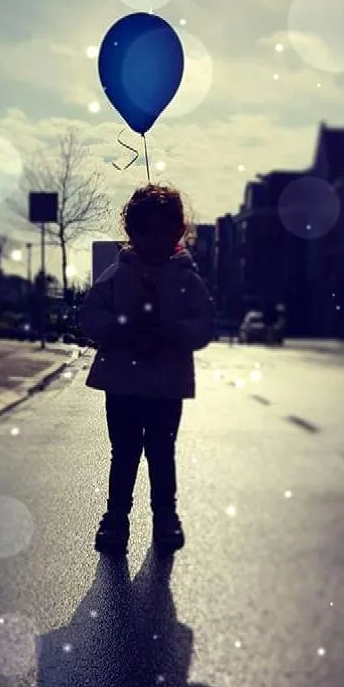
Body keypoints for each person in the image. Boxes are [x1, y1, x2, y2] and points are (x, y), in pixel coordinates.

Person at [81, 184, 213, 555]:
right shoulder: (117, 274)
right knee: (123, 452)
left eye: (164, 231)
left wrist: (174, 333)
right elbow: (91, 314)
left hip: (164, 383)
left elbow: (204, 323)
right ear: (132, 233)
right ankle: (116, 516)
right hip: (123, 380)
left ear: (177, 232)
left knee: (160, 452)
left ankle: (165, 516)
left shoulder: (186, 279)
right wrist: (120, 330)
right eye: (145, 231)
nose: (154, 240)